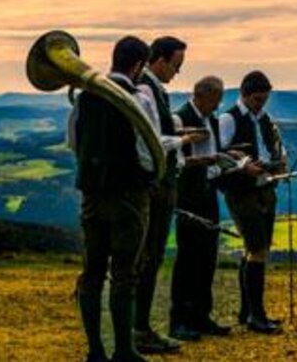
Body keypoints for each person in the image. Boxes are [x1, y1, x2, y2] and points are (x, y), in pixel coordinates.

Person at [71, 36, 184, 362]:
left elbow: (74, 142)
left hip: (92, 193)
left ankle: (95, 351)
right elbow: (148, 153)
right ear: (139, 65)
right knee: (125, 273)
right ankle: (124, 350)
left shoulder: (85, 96)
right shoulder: (139, 98)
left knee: (91, 272)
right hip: (130, 196)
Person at [133, 36, 193, 354]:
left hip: (159, 182)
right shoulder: (146, 88)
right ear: (160, 60)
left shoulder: (149, 87)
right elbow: (152, 139)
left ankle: (137, 326)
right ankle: (139, 328)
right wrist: (181, 141)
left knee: (149, 257)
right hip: (158, 184)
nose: (176, 73)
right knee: (150, 256)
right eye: (176, 66)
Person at [218, 70, 285, 334]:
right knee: (256, 249)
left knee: (258, 249)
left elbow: (271, 147)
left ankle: (248, 311)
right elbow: (219, 152)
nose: (261, 104)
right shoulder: (228, 119)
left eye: (264, 100)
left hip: (265, 187)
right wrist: (244, 166)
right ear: (244, 95)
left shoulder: (265, 119)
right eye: (257, 99)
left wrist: (277, 165)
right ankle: (257, 315)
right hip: (242, 190)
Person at [169, 75, 232, 341]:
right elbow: (177, 160)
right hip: (188, 196)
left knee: (207, 257)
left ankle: (201, 315)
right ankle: (179, 319)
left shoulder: (212, 120)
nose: (218, 106)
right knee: (188, 258)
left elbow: (214, 152)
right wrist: (208, 160)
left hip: (208, 192)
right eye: (216, 100)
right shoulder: (179, 118)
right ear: (202, 95)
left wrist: (226, 161)